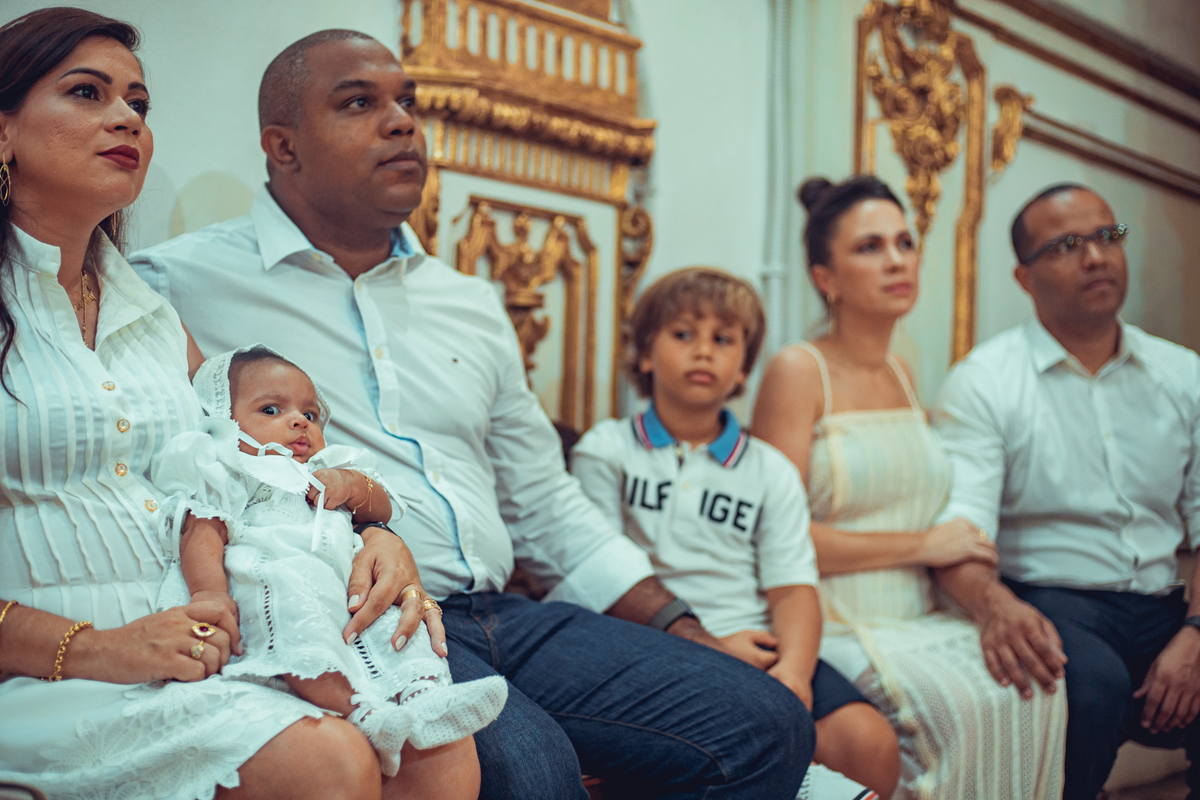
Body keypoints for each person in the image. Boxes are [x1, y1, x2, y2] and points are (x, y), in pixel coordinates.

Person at [130, 29, 812, 800]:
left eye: (408, 104)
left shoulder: (469, 302)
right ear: (282, 147)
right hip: (368, 618)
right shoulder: (178, 286)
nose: (402, 123)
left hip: (510, 612)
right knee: (529, 773)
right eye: (360, 103)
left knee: (768, 723)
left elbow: (544, 501)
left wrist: (680, 625)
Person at [0, 9, 479, 800]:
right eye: (87, 93)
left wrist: (375, 529)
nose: (125, 117)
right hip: (42, 675)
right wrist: (97, 650)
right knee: (329, 764)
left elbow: (254, 458)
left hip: (194, 639)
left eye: (139, 104)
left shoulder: (149, 313)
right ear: (6, 130)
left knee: (441, 753)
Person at [752, 175, 1067, 799]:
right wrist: (925, 545)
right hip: (833, 616)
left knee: (1040, 686)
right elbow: (777, 539)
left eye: (904, 242)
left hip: (918, 611)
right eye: (870, 247)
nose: (897, 260)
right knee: (957, 702)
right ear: (825, 276)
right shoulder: (797, 370)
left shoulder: (907, 366)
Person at [570, 266, 900, 800]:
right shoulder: (606, 450)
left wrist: (793, 673)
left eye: (723, 340)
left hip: (761, 646)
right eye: (683, 334)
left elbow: (793, 587)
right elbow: (596, 577)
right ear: (647, 354)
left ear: (743, 369)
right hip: (649, 646)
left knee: (868, 743)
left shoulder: (767, 469)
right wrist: (715, 648)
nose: (704, 352)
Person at [930, 183, 1200, 800]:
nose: (1097, 257)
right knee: (1089, 691)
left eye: (1108, 236)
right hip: (1056, 601)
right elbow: (960, 534)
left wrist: (1197, 631)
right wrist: (997, 607)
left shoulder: (1183, 374)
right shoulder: (986, 382)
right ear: (1025, 279)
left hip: (1165, 602)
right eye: (1067, 245)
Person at [156, 345, 509, 776]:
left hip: (345, 586)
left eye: (311, 413)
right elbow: (203, 530)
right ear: (223, 421)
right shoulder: (228, 466)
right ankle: (363, 713)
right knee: (297, 617)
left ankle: (423, 694)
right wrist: (209, 594)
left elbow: (385, 503)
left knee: (396, 621)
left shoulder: (328, 465)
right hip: (272, 573)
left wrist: (352, 487)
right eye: (270, 409)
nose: (300, 421)